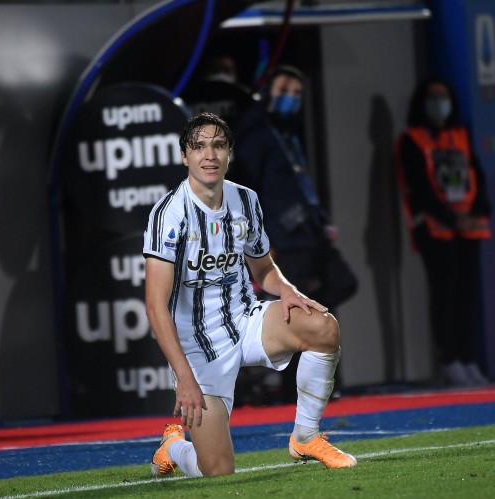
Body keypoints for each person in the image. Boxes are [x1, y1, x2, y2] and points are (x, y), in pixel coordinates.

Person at [143, 112, 356, 478]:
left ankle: (305, 437)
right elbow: (154, 305)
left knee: (323, 327)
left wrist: (287, 290)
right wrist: (184, 377)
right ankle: (173, 446)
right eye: (199, 147)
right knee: (217, 470)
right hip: (197, 349)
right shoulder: (169, 214)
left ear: (230, 153)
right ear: (185, 156)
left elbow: (264, 269)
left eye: (218, 145)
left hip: (244, 321)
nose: (209, 155)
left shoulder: (245, 200)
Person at [226, 65, 357, 403]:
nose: (291, 99)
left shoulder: (286, 133)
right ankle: (297, 387)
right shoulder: (255, 132)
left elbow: (297, 185)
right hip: (283, 238)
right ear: (266, 92)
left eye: (297, 94)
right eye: (284, 90)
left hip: (308, 234)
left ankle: (317, 380)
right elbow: (247, 190)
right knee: (296, 310)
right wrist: (261, 241)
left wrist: (319, 219)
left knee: (336, 288)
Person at [395, 77, 491, 387]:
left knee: (466, 294)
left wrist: (477, 212)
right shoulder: (412, 140)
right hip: (436, 230)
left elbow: (477, 177)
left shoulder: (460, 135)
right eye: (433, 97)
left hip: (469, 228)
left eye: (444, 96)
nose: (440, 103)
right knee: (445, 292)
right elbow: (419, 188)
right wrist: (451, 218)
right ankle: (449, 360)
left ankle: (468, 358)